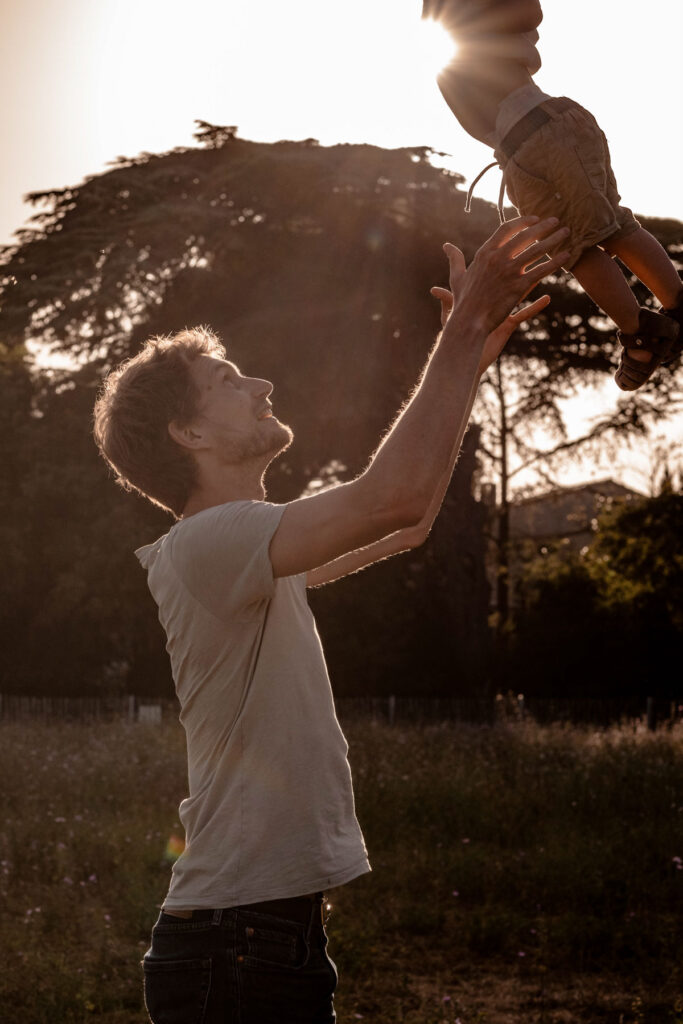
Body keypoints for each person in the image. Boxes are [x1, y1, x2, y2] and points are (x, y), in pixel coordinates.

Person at [92, 215, 568, 1024]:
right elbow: (395, 498)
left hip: (255, 935)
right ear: (189, 433)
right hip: (235, 942)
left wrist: (466, 358)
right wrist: (457, 337)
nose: (261, 385)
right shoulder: (210, 543)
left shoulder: (249, 550)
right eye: (229, 381)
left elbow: (407, 520)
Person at [422, 0, 683, 390]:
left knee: (571, 246)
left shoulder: (460, 45)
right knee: (615, 224)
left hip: (532, 142)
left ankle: (641, 336)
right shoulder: (491, 37)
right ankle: (678, 304)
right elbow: (527, 15)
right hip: (565, 119)